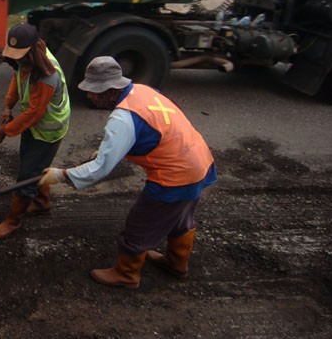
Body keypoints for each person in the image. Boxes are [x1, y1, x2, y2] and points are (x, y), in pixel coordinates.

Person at [40, 56, 217, 289]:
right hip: (198, 162)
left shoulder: (122, 118)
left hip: (175, 176)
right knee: (181, 217)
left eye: (95, 91)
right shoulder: (142, 91)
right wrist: (112, 149)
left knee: (140, 223)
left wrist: (62, 175)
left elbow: (101, 168)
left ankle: (126, 274)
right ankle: (176, 263)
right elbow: (150, 132)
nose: (90, 96)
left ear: (111, 90)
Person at [0, 23, 70, 239]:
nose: (18, 60)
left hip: (48, 130)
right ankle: (42, 203)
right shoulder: (29, 59)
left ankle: (12, 221)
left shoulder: (46, 76)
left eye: (21, 56)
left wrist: (4, 131)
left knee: (28, 173)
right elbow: (18, 76)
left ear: (32, 50)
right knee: (34, 165)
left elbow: (34, 113)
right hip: (35, 125)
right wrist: (8, 105)